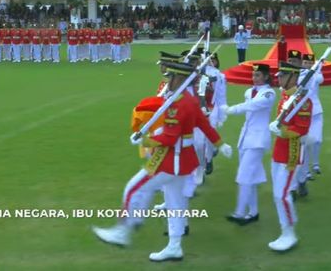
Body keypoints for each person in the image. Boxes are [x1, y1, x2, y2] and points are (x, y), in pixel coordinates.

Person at [92, 62, 234, 261]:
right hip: (183, 160)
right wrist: (221, 144)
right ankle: (174, 246)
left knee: (134, 188)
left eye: (172, 77)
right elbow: (204, 125)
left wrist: (146, 140)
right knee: (176, 203)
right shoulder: (189, 101)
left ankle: (122, 231)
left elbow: (170, 138)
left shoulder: (179, 105)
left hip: (171, 160)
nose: (168, 80)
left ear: (180, 79)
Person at [220, 63, 276, 225]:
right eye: (253, 75)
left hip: (258, 140)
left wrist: (232, 109)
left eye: (258, 75)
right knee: (250, 177)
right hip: (246, 137)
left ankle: (239, 213)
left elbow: (252, 106)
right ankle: (253, 212)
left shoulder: (268, 94)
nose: (254, 77)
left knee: (244, 176)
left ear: (266, 77)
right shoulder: (248, 91)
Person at [266, 61, 312, 252]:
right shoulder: (286, 96)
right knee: (278, 194)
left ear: (293, 77)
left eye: (283, 76)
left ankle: (289, 233)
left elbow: (302, 128)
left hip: (292, 152)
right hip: (279, 150)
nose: (279, 78)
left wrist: (281, 131)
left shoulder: (303, 101)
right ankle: (285, 229)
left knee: (282, 194)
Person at [293, 52, 324, 197]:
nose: (307, 65)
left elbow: (320, 79)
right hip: (297, 114)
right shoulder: (294, 75)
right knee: (298, 150)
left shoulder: (315, 74)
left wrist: (318, 68)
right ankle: (297, 183)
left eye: (310, 63)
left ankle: (303, 178)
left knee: (311, 143)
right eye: (305, 63)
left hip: (314, 112)